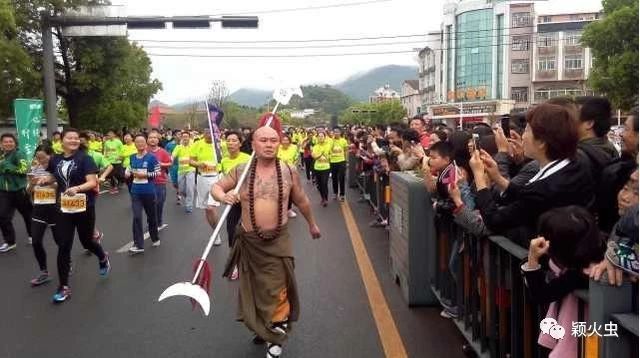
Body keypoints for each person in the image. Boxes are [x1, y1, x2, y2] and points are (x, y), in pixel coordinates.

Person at [212, 126, 321, 358]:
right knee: (255, 289)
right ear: (253, 144)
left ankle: (276, 336)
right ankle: (264, 328)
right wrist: (224, 196)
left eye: (274, 140)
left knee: (278, 287)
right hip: (250, 242)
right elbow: (216, 187)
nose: (270, 144)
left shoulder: (288, 170)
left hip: (278, 240)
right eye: (264, 140)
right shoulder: (241, 171)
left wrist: (312, 224)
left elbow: (301, 200)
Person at [471, 103, 594, 247]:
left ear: (542, 142)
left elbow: (494, 220)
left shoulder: (544, 189)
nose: (522, 136)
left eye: (527, 130)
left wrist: (479, 178)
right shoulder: (576, 164)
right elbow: (527, 195)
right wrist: (498, 178)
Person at [37, 128, 111, 303]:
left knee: (87, 241)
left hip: (84, 205)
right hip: (64, 207)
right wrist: (46, 180)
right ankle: (63, 286)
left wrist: (77, 188)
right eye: (69, 138)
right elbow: (56, 177)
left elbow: (92, 182)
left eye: (76, 138)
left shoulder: (85, 158)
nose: (74, 140)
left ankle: (102, 257)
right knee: (64, 245)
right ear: (61, 141)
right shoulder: (56, 159)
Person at [521, 206, 605, 358]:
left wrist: (533, 258)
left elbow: (540, 294)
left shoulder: (580, 274)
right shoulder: (598, 256)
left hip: (581, 343)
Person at [219, 131, 251, 280]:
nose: (230, 143)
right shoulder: (224, 160)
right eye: (228, 140)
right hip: (232, 203)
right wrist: (225, 194)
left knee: (251, 232)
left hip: (248, 201)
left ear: (240, 143)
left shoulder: (248, 159)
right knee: (232, 232)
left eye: (234, 140)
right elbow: (224, 182)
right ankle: (235, 263)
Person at [27, 144, 57, 285]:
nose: (40, 161)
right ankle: (44, 272)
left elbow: (64, 185)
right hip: (39, 208)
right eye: (38, 158)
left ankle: (66, 262)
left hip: (55, 209)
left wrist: (50, 184)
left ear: (50, 155)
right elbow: (28, 190)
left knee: (61, 242)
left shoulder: (58, 167)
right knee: (36, 241)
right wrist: (32, 185)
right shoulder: (35, 168)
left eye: (43, 158)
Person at [126, 133, 161, 254]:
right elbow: (130, 168)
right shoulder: (132, 157)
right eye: (137, 142)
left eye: (142, 142)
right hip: (135, 192)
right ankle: (138, 244)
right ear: (134, 144)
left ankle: (154, 236)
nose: (140, 144)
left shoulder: (152, 158)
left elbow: (157, 173)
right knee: (136, 217)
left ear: (145, 144)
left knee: (151, 217)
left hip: (149, 192)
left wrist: (145, 175)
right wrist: (127, 172)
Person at [0, 133, 33, 252]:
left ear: (15, 143)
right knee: (2, 216)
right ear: (1, 144)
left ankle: (32, 236)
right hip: (4, 191)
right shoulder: (1, 156)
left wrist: (7, 166)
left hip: (19, 190)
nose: (8, 143)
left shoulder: (19, 153)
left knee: (27, 215)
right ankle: (10, 242)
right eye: (5, 141)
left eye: (10, 141)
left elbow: (24, 170)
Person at [190, 129, 222, 245]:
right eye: (207, 133)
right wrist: (199, 164)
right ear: (204, 133)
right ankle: (215, 232)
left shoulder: (219, 144)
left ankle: (216, 234)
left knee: (210, 208)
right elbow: (191, 161)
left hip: (216, 178)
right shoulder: (197, 144)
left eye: (212, 133)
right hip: (202, 178)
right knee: (206, 210)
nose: (209, 135)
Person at [147, 130, 172, 229]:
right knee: (149, 203)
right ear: (147, 139)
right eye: (150, 137)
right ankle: (151, 220)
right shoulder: (144, 151)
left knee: (159, 202)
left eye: (155, 138)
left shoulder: (163, 152)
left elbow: (169, 163)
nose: (152, 139)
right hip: (147, 181)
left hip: (160, 181)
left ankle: (159, 219)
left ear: (158, 140)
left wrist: (161, 164)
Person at [172, 131, 196, 213]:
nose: (185, 138)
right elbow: (173, 155)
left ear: (189, 138)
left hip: (191, 170)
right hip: (181, 171)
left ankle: (189, 206)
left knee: (190, 188)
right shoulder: (178, 147)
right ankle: (188, 196)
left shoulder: (193, 146)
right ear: (181, 138)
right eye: (183, 137)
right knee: (181, 190)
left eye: (186, 136)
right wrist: (170, 160)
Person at [277, 134, 300, 218]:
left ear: (290, 141)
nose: (285, 142)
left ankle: (288, 209)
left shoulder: (294, 148)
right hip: (278, 173)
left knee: (289, 191)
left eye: (287, 140)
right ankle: (279, 209)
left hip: (290, 173)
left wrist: (292, 167)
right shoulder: (277, 148)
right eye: (283, 140)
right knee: (279, 191)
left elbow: (296, 159)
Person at [311, 131, 332, 207]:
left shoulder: (328, 145)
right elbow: (314, 156)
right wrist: (321, 154)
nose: (320, 137)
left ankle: (325, 199)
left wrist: (329, 157)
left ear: (324, 137)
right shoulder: (315, 146)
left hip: (326, 168)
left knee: (324, 183)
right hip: (317, 168)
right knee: (319, 185)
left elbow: (331, 154)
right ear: (317, 138)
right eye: (319, 136)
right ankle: (322, 197)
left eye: (322, 136)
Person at [329, 128, 348, 201]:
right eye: (335, 132)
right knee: (334, 178)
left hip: (341, 161)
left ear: (340, 132)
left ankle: (342, 194)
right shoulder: (330, 141)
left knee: (341, 178)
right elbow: (328, 150)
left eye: (337, 132)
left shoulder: (344, 141)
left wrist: (346, 161)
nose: (336, 133)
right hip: (333, 162)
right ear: (333, 133)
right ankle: (335, 193)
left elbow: (346, 151)